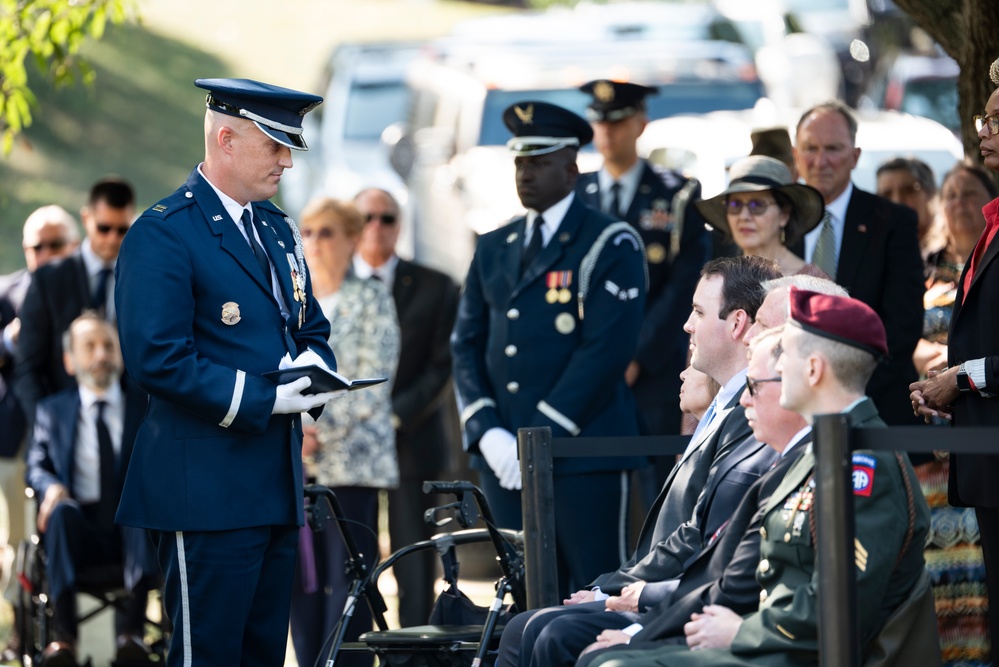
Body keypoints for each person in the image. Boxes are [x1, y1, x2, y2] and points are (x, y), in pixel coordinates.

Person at [581, 288, 932, 667]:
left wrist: (741, 632)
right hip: (771, 644)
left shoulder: (863, 467)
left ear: (813, 369)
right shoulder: (821, 453)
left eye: (784, 360)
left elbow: (840, 608)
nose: (766, 373)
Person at [114, 78, 340, 666]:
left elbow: (309, 326)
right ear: (227, 139)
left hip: (274, 483)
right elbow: (157, 358)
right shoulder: (164, 232)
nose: (288, 161)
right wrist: (264, 397)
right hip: (205, 491)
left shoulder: (276, 230)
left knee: (262, 653)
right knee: (207, 655)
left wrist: (314, 370)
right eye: (276, 145)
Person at [493, 256, 781, 667]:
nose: (687, 325)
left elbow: (703, 540)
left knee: (548, 632)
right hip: (664, 593)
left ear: (736, 324)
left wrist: (623, 597)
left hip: (687, 605)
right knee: (527, 626)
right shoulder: (723, 407)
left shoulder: (747, 416)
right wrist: (614, 589)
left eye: (698, 312)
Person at [452, 101, 647, 596]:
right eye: (520, 163)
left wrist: (539, 436)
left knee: (592, 593)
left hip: (582, 453)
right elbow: (466, 342)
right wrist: (485, 428)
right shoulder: (495, 245)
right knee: (523, 595)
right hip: (504, 458)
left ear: (571, 167)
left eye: (539, 163)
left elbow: (605, 351)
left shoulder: (608, 241)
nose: (527, 175)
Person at [529, 329, 809, 667]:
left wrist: (639, 628)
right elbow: (727, 570)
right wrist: (632, 599)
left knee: (589, 653)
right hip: (719, 617)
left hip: (760, 640)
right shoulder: (791, 458)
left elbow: (824, 605)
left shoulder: (823, 464)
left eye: (755, 385)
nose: (745, 399)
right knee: (539, 630)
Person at [911, 59, 999, 661]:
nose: (983, 132)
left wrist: (961, 380)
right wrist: (950, 385)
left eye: (996, 120)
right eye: (983, 118)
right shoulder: (994, 226)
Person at [289, 197, 400, 667]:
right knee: (301, 580)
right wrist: (293, 430)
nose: (313, 242)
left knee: (349, 576)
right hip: (295, 463)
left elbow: (374, 381)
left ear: (353, 238)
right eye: (307, 233)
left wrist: (315, 429)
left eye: (326, 232)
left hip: (353, 465)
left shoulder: (371, 296)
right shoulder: (291, 303)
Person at [574, 79, 709, 439]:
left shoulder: (678, 194)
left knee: (657, 483)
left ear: (641, 124)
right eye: (600, 122)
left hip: (656, 367)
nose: (607, 132)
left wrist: (636, 356)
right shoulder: (574, 195)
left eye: (617, 122)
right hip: (587, 366)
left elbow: (684, 284)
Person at [352, 187, 460, 626]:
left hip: (412, 438)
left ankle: (416, 649)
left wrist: (392, 414)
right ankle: (356, 650)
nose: (376, 227)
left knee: (415, 554)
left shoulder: (436, 286)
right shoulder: (331, 283)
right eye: (366, 218)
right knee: (353, 554)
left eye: (387, 218)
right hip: (349, 446)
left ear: (400, 225)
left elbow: (442, 365)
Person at [25, 313, 158, 666]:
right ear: (69, 361)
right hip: (78, 534)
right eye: (90, 346)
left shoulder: (146, 404)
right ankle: (64, 640)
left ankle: (132, 635)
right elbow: (36, 466)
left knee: (138, 504)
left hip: (134, 534)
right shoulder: (51, 411)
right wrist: (50, 487)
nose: (101, 354)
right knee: (62, 512)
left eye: (108, 345)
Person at [793, 100, 925, 425]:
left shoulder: (892, 222)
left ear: (855, 156)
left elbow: (903, 325)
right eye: (810, 148)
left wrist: (844, 394)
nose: (821, 161)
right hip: (791, 407)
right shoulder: (778, 222)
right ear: (796, 154)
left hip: (874, 409)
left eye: (833, 149)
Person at [0, 205, 79, 662]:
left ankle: (66, 633)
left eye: (56, 245)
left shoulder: (88, 289)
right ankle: (18, 629)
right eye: (37, 247)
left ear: (73, 246)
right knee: (15, 538)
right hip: (17, 434)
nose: (46, 254)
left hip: (73, 438)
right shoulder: (8, 290)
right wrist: (12, 340)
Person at [14, 179, 136, 424]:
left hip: (127, 426)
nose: (112, 238)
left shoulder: (142, 277)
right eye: (104, 228)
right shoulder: (48, 279)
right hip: (62, 421)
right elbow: (27, 366)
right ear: (86, 219)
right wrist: (48, 428)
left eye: (122, 230)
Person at [916, 162, 998, 377]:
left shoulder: (995, 263)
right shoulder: (923, 265)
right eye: (951, 196)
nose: (960, 202)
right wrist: (924, 352)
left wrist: (956, 363)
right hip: (928, 384)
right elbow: (900, 325)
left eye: (969, 194)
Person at [693, 156, 825, 276]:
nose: (744, 216)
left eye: (757, 205)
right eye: (735, 204)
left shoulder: (812, 284)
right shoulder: (719, 279)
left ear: (784, 215)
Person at [876, 157, 942, 259]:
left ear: (930, 193)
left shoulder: (953, 250)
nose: (897, 201)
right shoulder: (874, 255)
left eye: (908, 190)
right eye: (886, 195)